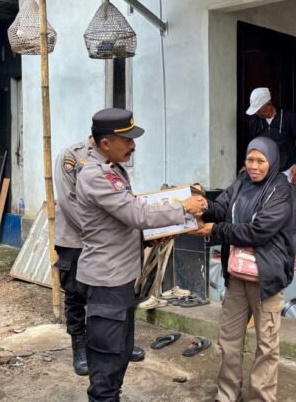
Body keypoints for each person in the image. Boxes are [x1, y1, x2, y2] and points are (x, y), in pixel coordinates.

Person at [75, 108, 206, 401]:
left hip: (120, 279)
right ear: (106, 143)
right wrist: (183, 208)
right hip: (106, 281)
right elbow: (136, 214)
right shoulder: (97, 175)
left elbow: (123, 220)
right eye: (128, 140)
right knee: (107, 361)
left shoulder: (112, 168)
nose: (133, 145)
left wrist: (160, 232)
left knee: (120, 353)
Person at [193, 136, 293, 402]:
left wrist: (215, 229)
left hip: (266, 280)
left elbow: (259, 231)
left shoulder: (281, 191)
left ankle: (261, 397)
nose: (254, 166)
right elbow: (221, 207)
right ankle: (227, 395)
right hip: (237, 277)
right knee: (228, 340)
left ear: (271, 162)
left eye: (261, 161)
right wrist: (203, 204)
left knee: (266, 346)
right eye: (250, 159)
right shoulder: (241, 183)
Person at [53, 137, 147, 376]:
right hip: (75, 239)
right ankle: (80, 347)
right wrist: (93, 232)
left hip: (107, 243)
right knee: (75, 295)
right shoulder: (72, 155)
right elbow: (67, 200)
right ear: (102, 137)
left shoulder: (114, 159)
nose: (129, 144)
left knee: (112, 294)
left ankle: (114, 344)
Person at [247, 87, 296, 252]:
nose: (257, 113)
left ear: (269, 104)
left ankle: (291, 249)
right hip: (264, 173)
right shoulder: (255, 122)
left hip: (288, 170)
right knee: (261, 208)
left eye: (259, 109)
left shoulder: (288, 118)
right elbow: (253, 148)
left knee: (293, 208)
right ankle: (265, 247)